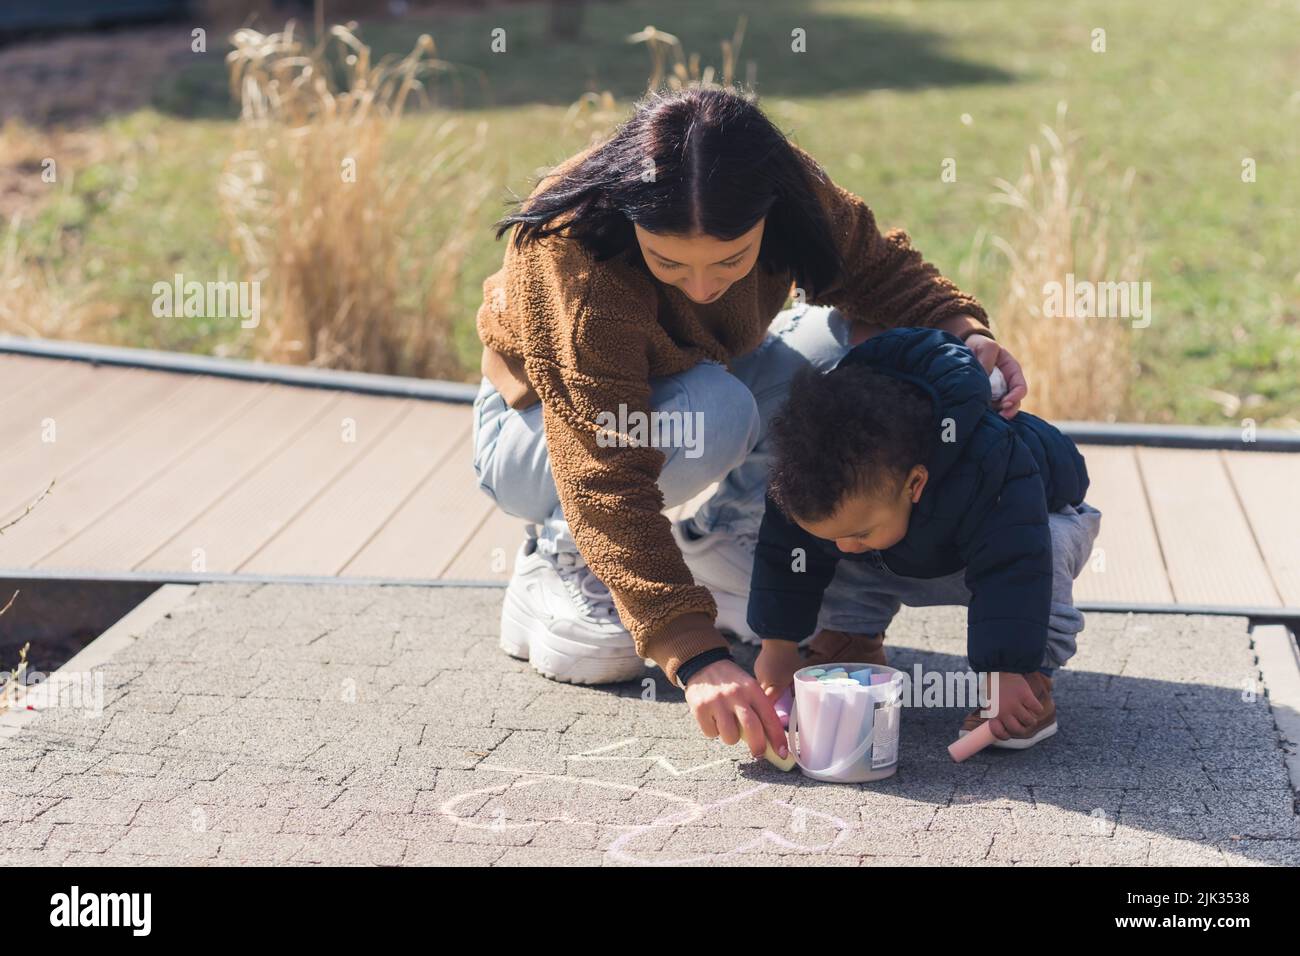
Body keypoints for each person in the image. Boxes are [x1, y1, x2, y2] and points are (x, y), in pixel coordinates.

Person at [470, 85, 1027, 760]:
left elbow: (881, 274)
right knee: (715, 413)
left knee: (854, 360)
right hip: (540, 435)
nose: (704, 287)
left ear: (769, 213)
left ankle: (727, 539)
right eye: (670, 262)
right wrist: (695, 654)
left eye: (731, 262)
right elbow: (603, 471)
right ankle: (562, 556)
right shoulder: (575, 258)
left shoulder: (781, 181)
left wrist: (965, 334)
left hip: (700, 377)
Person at [748, 327, 1101, 747]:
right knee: (824, 549)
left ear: (914, 483)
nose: (845, 546)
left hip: (1021, 534)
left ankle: (1027, 679)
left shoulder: (987, 462)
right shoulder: (810, 473)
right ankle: (850, 637)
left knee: (1044, 549)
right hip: (910, 544)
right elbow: (782, 554)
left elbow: (1014, 564)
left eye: (858, 530)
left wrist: (1004, 668)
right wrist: (778, 645)